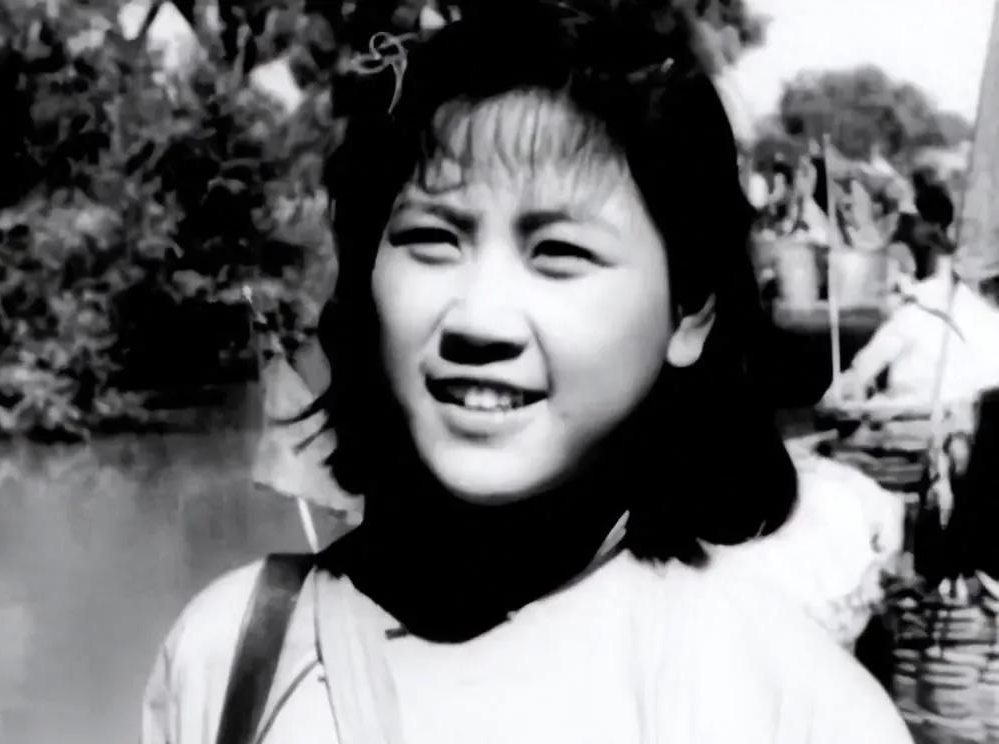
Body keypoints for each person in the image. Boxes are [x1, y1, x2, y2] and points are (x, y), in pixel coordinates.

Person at [142, 3, 912, 742]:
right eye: (433, 239)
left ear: (689, 312)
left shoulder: (794, 708)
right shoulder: (234, 659)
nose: (479, 319)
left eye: (559, 254)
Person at [827, 226, 999, 408]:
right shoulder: (923, 310)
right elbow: (854, 381)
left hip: (916, 415)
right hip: (947, 417)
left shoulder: (916, 311)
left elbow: (849, 386)